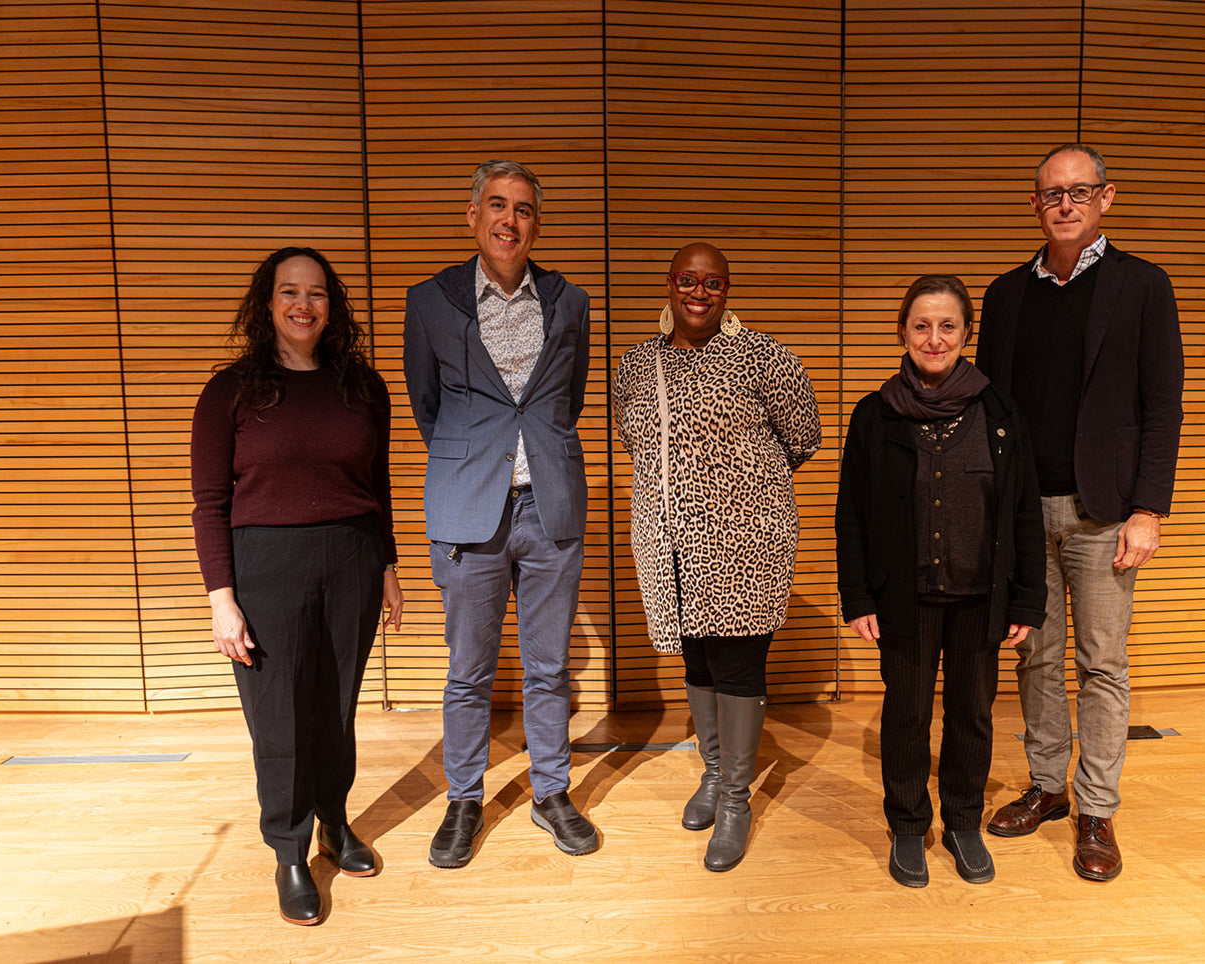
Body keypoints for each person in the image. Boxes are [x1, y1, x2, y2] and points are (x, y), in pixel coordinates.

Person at [977, 144, 1185, 881]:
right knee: (1034, 656)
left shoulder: (1142, 287)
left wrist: (1147, 509)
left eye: (1078, 192)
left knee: (1101, 663)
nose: (1064, 204)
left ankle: (1095, 807)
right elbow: (991, 410)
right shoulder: (1005, 296)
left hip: (1105, 514)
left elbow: (1162, 407)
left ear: (1106, 198)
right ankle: (1045, 785)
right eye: (1050, 194)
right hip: (1024, 511)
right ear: (1034, 205)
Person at [190, 246, 404, 926]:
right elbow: (208, 504)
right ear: (268, 302)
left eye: (315, 293)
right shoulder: (231, 391)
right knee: (279, 719)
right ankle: (288, 851)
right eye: (289, 291)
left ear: (331, 305)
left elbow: (378, 487)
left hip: (353, 558)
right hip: (265, 568)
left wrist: (389, 567)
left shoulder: (362, 387)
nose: (303, 304)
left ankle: (334, 826)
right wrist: (222, 597)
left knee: (334, 707)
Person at [403, 160, 598, 868]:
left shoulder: (569, 301)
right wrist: (473, 460)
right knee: (468, 671)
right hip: (467, 509)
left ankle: (551, 793)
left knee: (548, 670)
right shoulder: (428, 301)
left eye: (521, 209)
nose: (508, 220)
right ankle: (463, 799)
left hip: (550, 508)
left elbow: (565, 401)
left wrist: (530, 453)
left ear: (536, 225)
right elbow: (427, 404)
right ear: (472, 214)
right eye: (496, 205)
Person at [612, 242, 821, 872]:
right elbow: (635, 440)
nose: (698, 292)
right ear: (669, 285)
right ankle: (710, 773)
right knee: (696, 660)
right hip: (667, 541)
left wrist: (739, 490)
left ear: (728, 290)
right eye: (686, 279)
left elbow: (802, 436)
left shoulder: (762, 356)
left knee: (736, 667)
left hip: (745, 543)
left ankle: (735, 800)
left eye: (713, 282)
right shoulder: (637, 365)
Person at [835, 274, 1046, 888]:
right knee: (904, 715)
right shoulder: (874, 415)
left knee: (972, 714)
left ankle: (961, 822)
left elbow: (1024, 510)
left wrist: (1028, 597)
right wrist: (857, 595)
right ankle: (907, 825)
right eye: (921, 325)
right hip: (903, 597)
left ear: (965, 334)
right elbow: (852, 512)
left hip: (982, 598)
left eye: (947, 325)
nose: (934, 337)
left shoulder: (1000, 413)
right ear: (903, 331)